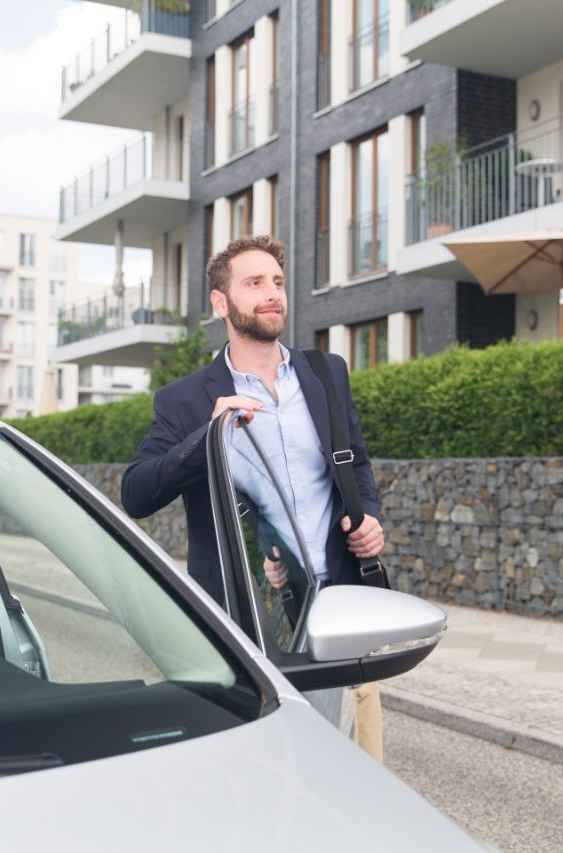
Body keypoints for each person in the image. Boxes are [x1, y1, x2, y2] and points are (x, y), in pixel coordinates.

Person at [120, 234, 386, 760]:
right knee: (258, 772)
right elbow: (136, 492)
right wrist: (209, 436)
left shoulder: (326, 373)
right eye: (255, 283)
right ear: (221, 303)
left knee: (348, 769)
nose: (272, 294)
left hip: (336, 609)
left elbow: (355, 460)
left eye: (279, 283)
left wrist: (371, 518)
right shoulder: (185, 399)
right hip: (243, 623)